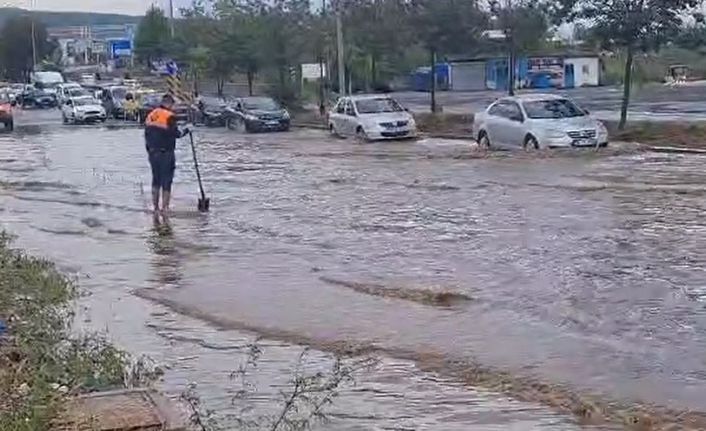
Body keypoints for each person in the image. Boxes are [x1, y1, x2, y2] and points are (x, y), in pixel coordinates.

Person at [145, 94, 190, 214]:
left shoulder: (151, 115)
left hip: (152, 153)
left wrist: (149, 150)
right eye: (173, 105)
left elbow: (147, 134)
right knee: (166, 181)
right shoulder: (169, 116)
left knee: (156, 180)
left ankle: (155, 208)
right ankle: (165, 208)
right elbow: (176, 134)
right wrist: (186, 130)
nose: (174, 108)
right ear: (169, 104)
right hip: (166, 153)